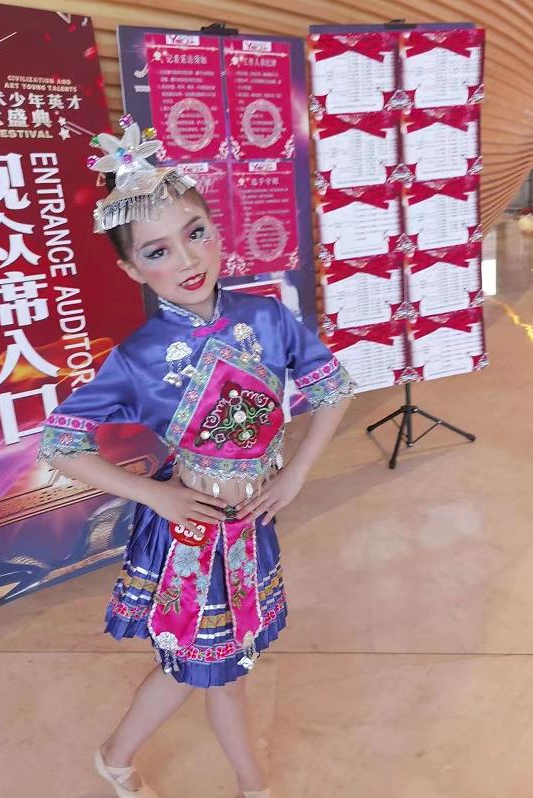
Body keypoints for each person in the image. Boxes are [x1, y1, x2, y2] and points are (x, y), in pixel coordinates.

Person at [37, 115, 355, 798]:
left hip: (251, 523)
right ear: (131, 268)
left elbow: (332, 387)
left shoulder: (267, 317)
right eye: (157, 251)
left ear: (216, 230)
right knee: (219, 674)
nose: (187, 260)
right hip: (190, 538)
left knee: (204, 668)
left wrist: (297, 474)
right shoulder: (137, 359)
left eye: (196, 233)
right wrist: (155, 494)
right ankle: (250, 787)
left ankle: (116, 756)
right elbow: (60, 443)